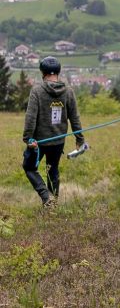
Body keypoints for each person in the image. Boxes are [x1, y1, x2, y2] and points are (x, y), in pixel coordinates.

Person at [22, 56, 84, 208]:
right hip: (58, 141)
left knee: (29, 167)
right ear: (58, 71)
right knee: (53, 171)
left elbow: (30, 116)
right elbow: (74, 117)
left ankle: (46, 197)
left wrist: (28, 138)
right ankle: (52, 202)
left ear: (42, 72)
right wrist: (79, 139)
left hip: (38, 141)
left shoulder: (37, 90)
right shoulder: (68, 91)